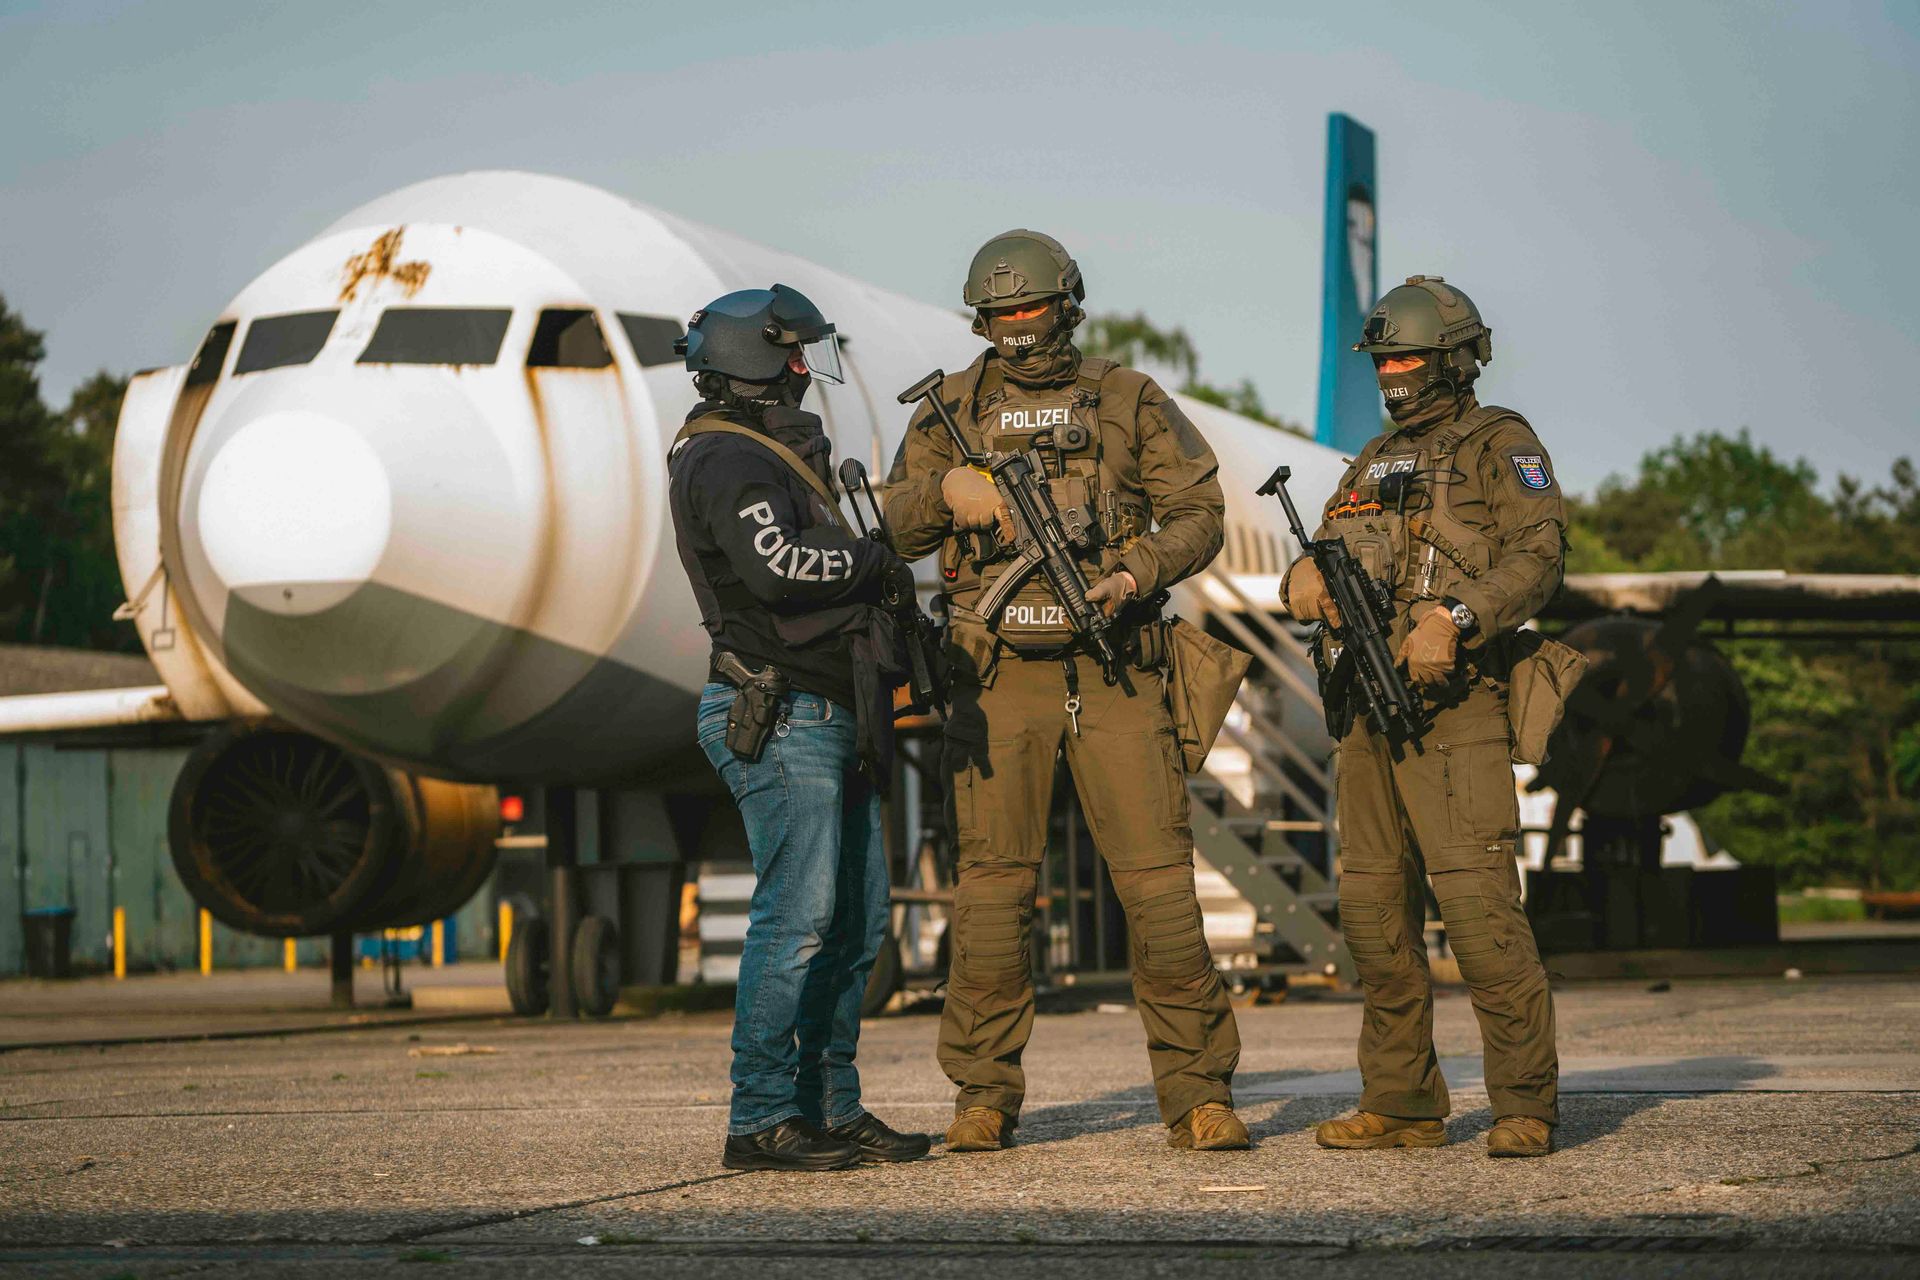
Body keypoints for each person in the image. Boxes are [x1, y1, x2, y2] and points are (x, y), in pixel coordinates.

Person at [885, 231, 1248, 1153]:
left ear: (1066, 304)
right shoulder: (951, 409)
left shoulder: (1126, 399)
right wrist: (946, 496)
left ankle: (1199, 1093)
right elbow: (892, 524)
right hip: (996, 676)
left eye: (1031, 310)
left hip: (1116, 667)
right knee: (992, 898)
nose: (1015, 329)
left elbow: (1201, 514)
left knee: (1160, 891)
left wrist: (1131, 573)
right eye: (999, 315)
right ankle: (982, 1097)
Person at [1280, 275, 1564, 1158]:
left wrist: (1459, 618)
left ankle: (1522, 1104)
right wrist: (1302, 583)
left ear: (1453, 358)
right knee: (1372, 918)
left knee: (1479, 913)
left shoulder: (1499, 443)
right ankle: (1402, 1103)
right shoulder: (1369, 460)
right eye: (1384, 360)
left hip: (1456, 713)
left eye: (1407, 356)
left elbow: (1541, 554)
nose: (1393, 373)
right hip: (1364, 715)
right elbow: (1326, 547)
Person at [667, 284, 930, 1171]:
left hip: (831, 710)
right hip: (784, 715)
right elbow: (778, 567)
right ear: (756, 360)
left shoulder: (771, 455)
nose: (802, 370)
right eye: (789, 355)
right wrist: (874, 559)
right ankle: (763, 1118)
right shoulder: (728, 462)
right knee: (799, 922)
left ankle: (828, 1106)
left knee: (856, 926)